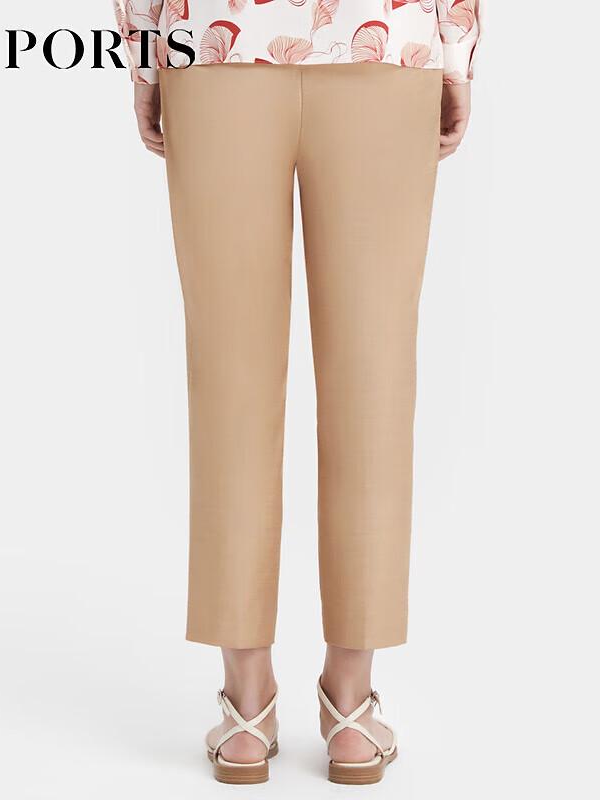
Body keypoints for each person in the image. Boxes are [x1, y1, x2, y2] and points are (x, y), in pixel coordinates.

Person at [114, 0, 482, 785]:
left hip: (212, 48)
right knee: (375, 379)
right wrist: (455, 54)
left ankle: (248, 707)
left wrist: (148, 61)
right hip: (387, 53)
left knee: (229, 382)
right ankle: (349, 706)